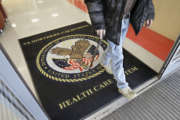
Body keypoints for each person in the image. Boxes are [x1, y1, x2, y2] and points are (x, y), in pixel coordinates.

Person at [84, 0, 155, 99]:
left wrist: (149, 13)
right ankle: (122, 86)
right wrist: (99, 23)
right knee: (118, 55)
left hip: (126, 18)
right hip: (111, 20)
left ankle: (104, 61)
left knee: (115, 46)